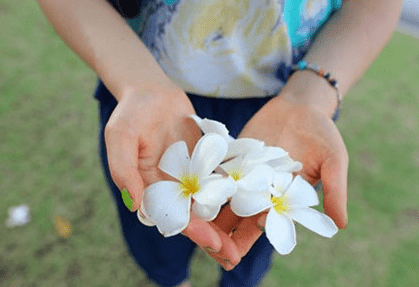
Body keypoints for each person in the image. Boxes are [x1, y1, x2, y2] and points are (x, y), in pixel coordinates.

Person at [36, 0, 403, 286]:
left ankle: (239, 283)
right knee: (153, 221)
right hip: (146, 86)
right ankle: (171, 279)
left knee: (253, 232)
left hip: (284, 102)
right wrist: (135, 81)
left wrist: (313, 95)